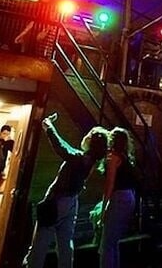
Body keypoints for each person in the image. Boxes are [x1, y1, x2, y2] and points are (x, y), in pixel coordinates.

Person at [23, 114, 108, 268]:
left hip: (57, 200)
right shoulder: (90, 160)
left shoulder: (80, 158)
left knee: (40, 243)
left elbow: (61, 147)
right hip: (71, 201)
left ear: (90, 141)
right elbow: (67, 149)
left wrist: (49, 126)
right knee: (65, 243)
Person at [98, 127, 138, 268]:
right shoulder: (125, 157)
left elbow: (110, 184)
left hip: (119, 197)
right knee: (113, 242)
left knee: (107, 244)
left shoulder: (112, 157)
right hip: (130, 197)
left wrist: (103, 210)